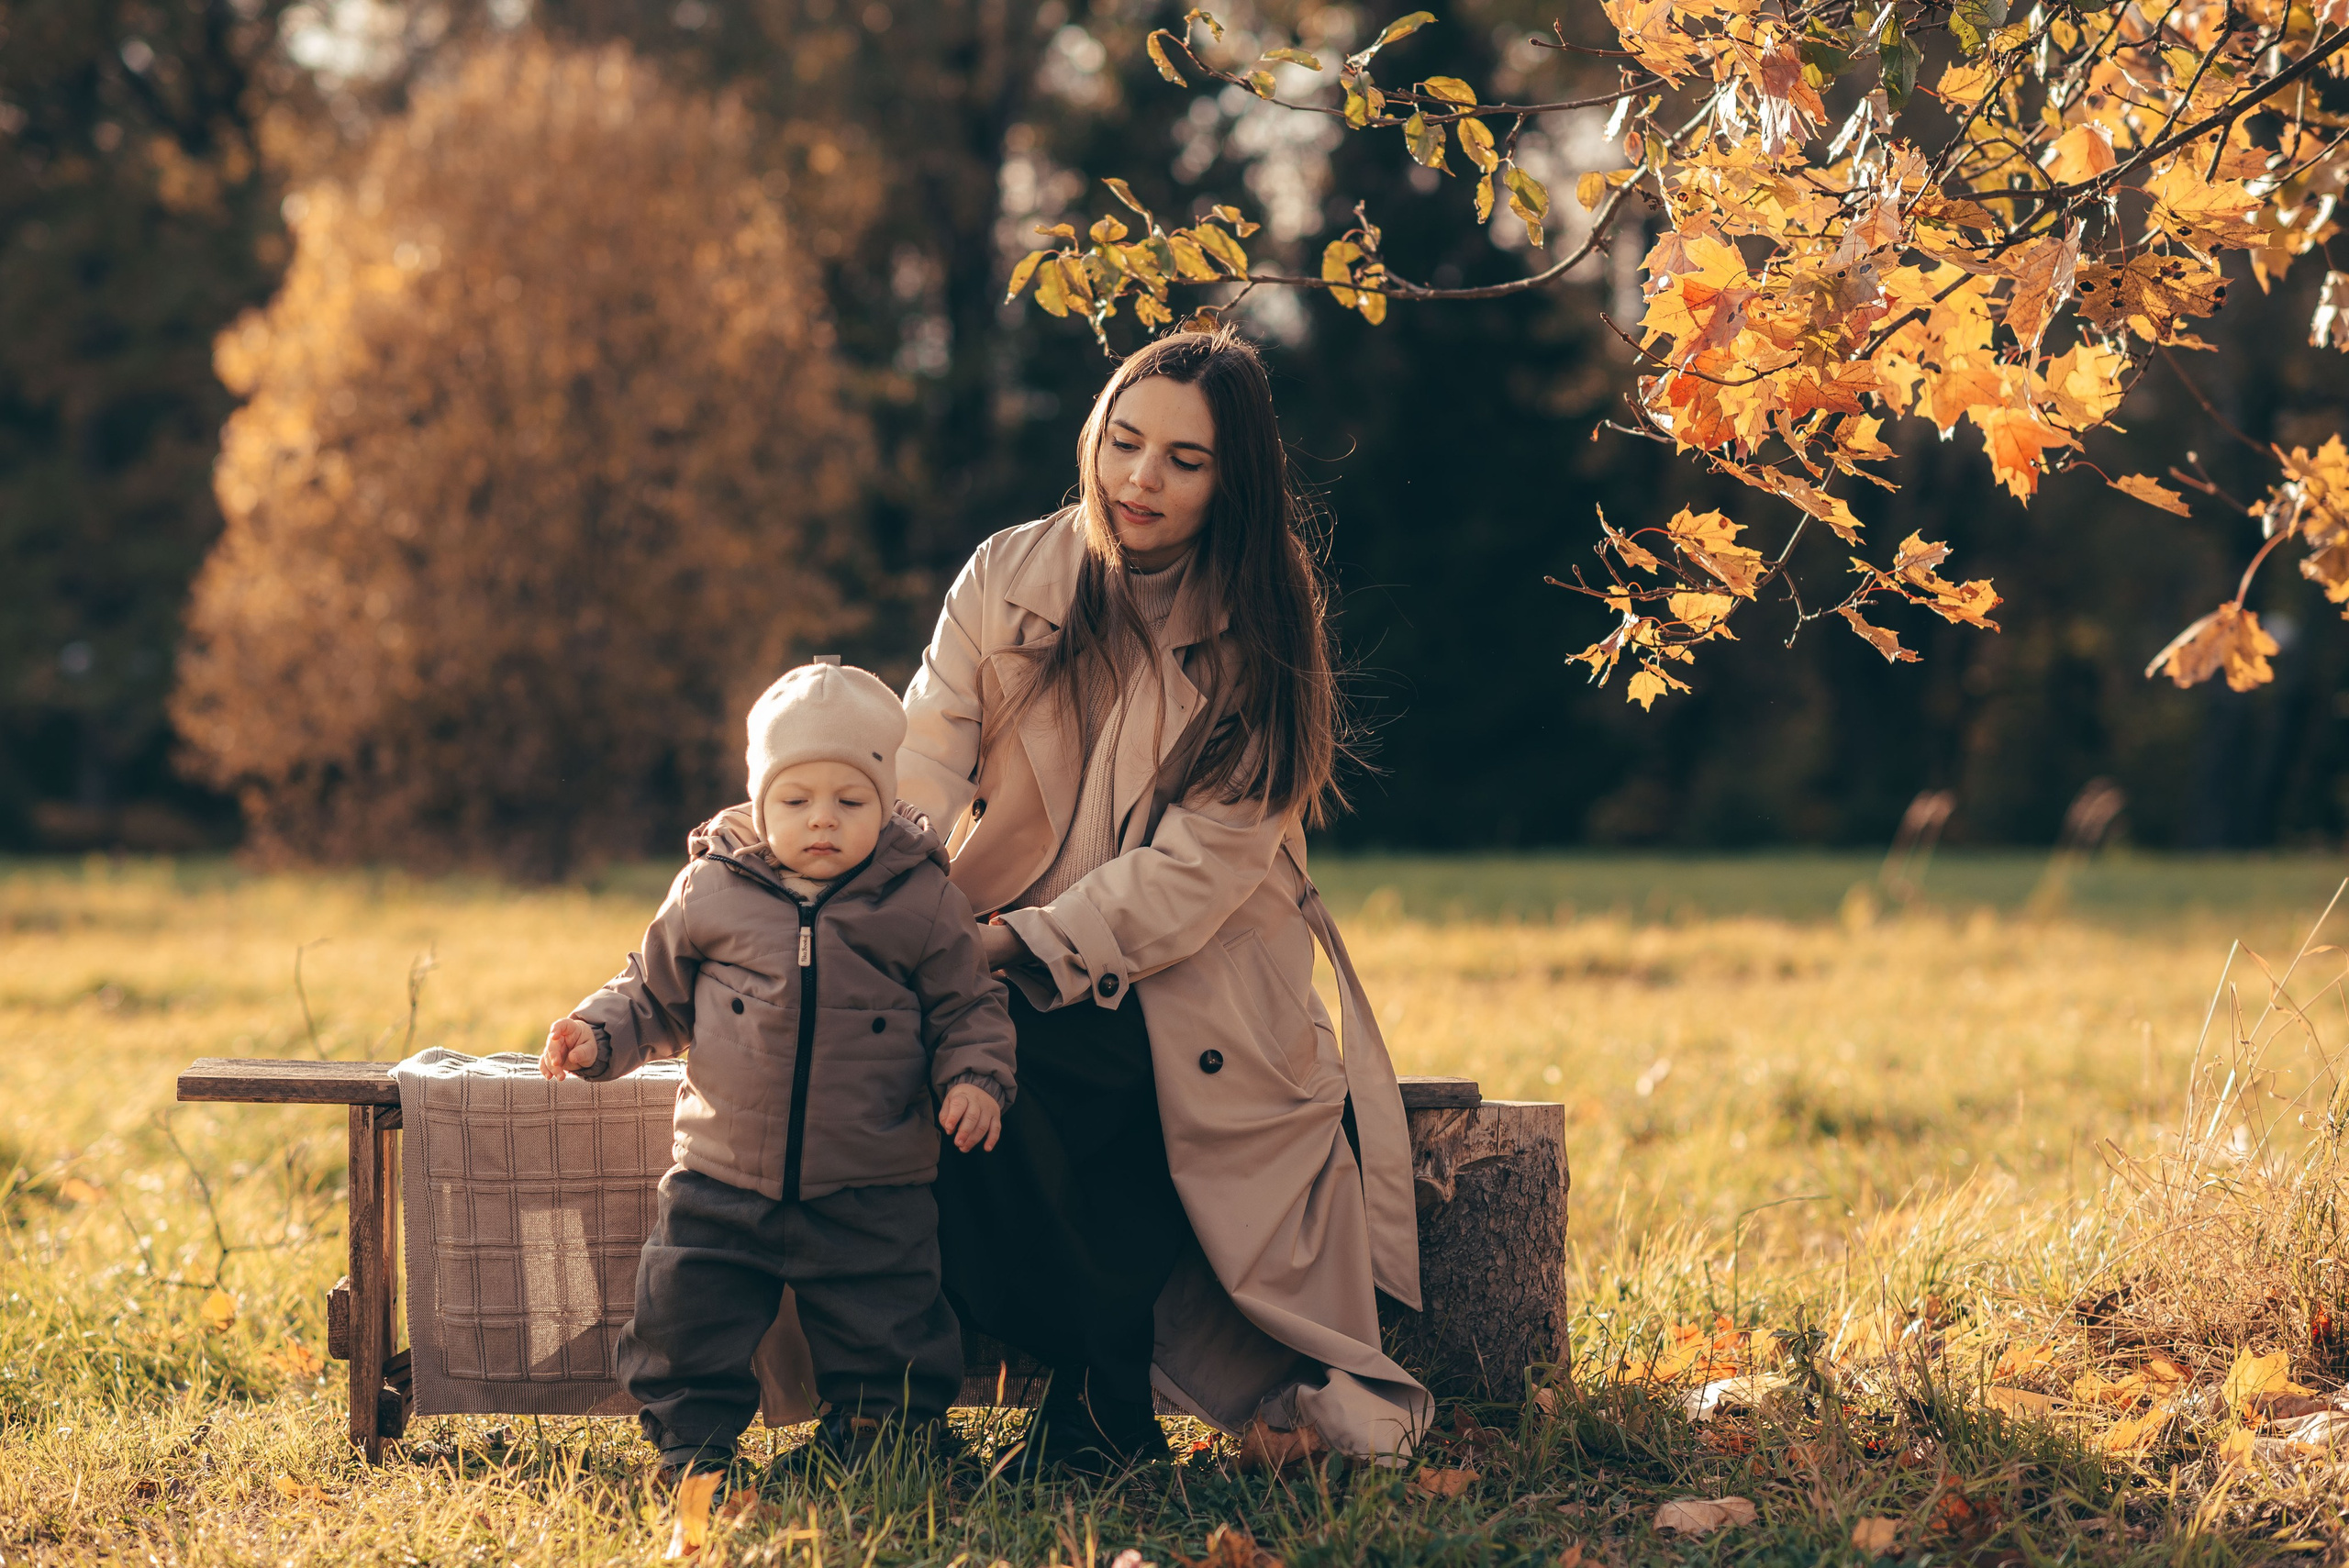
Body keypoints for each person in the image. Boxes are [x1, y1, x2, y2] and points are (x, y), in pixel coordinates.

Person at [898, 328, 1431, 1473]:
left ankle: (1093, 1407)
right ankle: (1054, 1402)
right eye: (1124, 441)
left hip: (1198, 970)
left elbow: (1192, 872)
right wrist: (884, 898)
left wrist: (1012, 946)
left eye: (1182, 461)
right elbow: (923, 757)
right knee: (907, 1066)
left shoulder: (1266, 627)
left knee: (1047, 1079)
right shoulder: (1008, 571)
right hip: (1003, 929)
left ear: (1232, 479)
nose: (1138, 479)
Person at [540, 659, 1017, 1478]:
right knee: (683, 1312)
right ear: (761, 802)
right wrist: (597, 1032)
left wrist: (975, 1079)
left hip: (874, 1179)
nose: (822, 820)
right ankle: (693, 1444)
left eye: (850, 800)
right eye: (796, 801)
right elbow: (652, 990)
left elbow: (969, 1008)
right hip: (721, 1177)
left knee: (890, 1319)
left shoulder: (920, 899)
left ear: (886, 798)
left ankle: (882, 1436)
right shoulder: (713, 887)